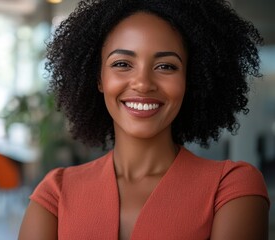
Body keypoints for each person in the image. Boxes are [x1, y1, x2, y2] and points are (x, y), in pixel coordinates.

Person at [19, 0, 270, 239]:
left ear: (189, 80)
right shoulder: (56, 193)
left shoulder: (230, 188)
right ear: (99, 79)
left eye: (166, 66)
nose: (143, 83)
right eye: (122, 63)